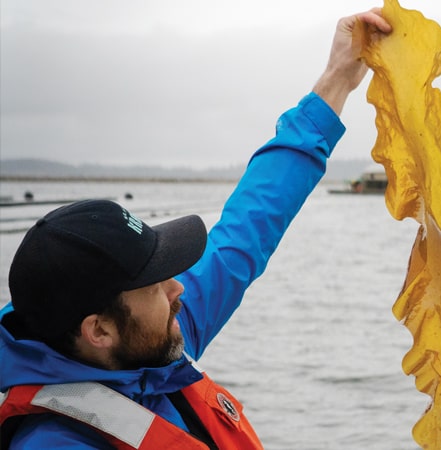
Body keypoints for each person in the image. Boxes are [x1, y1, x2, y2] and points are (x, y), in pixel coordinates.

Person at [0, 9, 392, 449]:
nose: (178, 290)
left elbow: (250, 224)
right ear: (100, 331)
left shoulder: (145, 337)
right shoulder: (54, 442)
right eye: (155, 284)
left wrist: (337, 78)